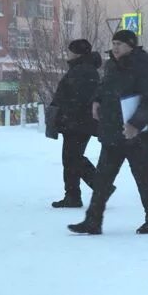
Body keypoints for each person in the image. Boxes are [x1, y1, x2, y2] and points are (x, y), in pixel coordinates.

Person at [69, 30, 148, 235]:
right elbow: (104, 87)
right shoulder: (112, 64)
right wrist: (96, 100)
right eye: (113, 43)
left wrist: (135, 124)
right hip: (112, 131)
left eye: (120, 43)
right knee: (102, 179)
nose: (115, 47)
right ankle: (93, 221)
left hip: (136, 135)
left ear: (131, 45)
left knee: (143, 178)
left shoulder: (144, 66)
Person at [49, 39, 102, 208]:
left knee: (73, 158)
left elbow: (78, 99)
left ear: (78, 53)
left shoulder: (83, 71)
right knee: (72, 158)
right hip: (76, 122)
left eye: (70, 51)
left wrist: (64, 114)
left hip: (77, 123)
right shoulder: (82, 69)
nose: (68, 53)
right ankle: (76, 194)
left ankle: (91, 190)